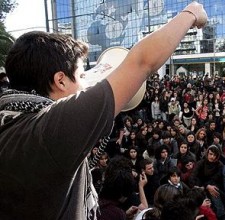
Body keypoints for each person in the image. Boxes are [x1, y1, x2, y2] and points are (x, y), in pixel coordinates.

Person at [0, 2, 207, 219]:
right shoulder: (48, 130)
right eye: (81, 76)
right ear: (60, 80)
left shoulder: (12, 121)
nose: (85, 83)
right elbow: (142, 62)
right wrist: (191, 12)